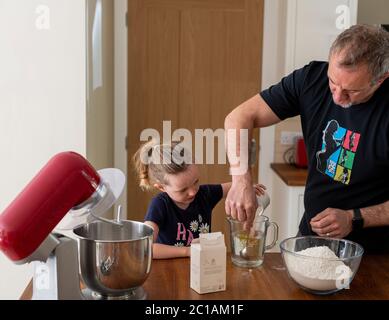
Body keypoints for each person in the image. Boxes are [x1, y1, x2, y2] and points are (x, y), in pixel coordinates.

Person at [224, 24, 389, 253]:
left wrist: (355, 218)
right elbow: (238, 118)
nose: (338, 97)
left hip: (375, 255)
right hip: (310, 241)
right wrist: (240, 181)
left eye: (351, 91)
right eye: (333, 82)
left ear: (380, 79)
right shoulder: (311, 78)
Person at [133, 140, 266, 259]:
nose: (192, 192)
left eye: (196, 181)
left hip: (203, 265)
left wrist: (246, 187)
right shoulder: (159, 205)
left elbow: (234, 187)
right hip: (170, 270)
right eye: (182, 190)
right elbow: (146, 248)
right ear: (161, 187)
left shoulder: (204, 194)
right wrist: (187, 251)